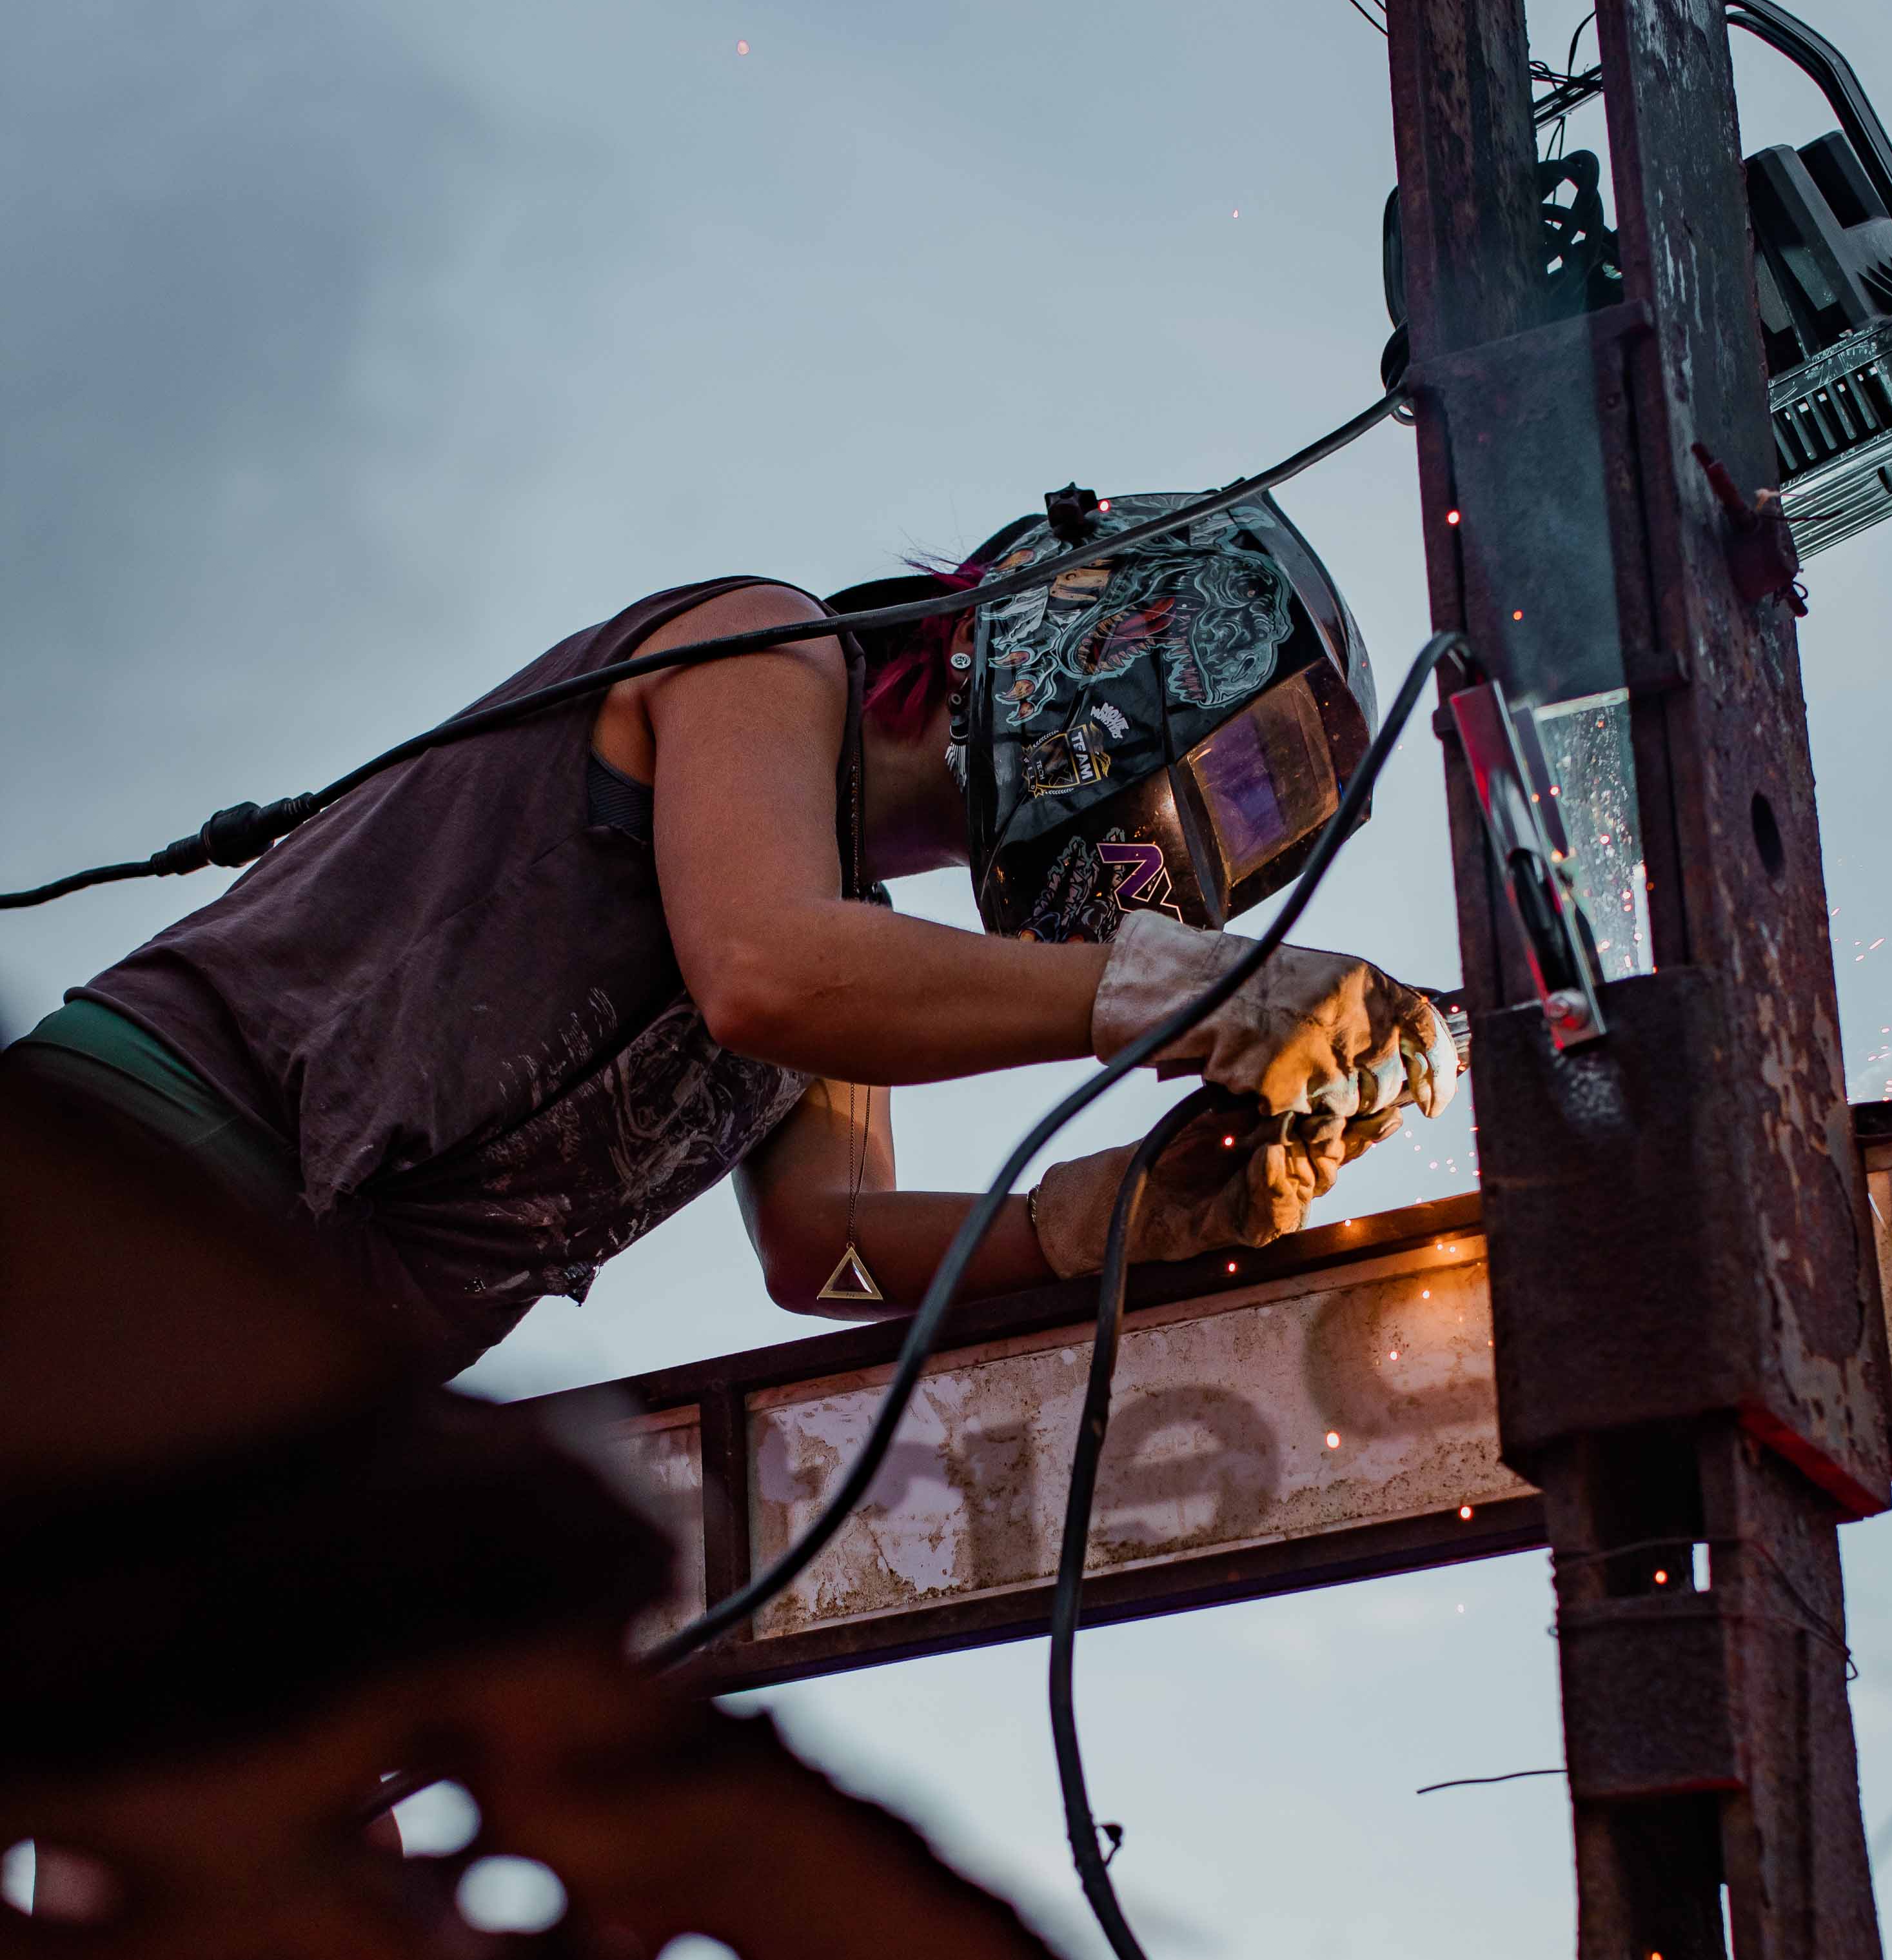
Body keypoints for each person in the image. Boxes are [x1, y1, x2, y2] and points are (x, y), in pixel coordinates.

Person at [8, 487, 1457, 1381]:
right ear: (1121, 633)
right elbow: (766, 973)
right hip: (153, 1173)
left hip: (301, 1347)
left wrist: (1092, 1223)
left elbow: (825, 1254)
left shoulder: (854, 958)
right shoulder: (767, 650)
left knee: (244, 1840)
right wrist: (1193, 992)